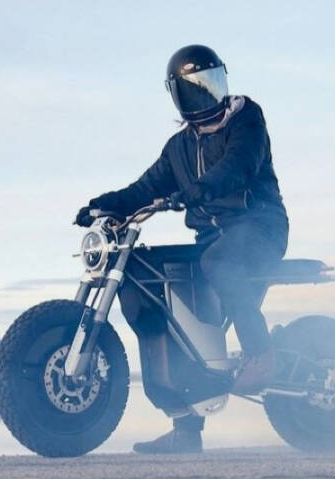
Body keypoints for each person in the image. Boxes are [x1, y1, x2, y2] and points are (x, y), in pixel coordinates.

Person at [75, 44, 289, 454]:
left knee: (220, 263)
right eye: (194, 88)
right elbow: (146, 187)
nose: (205, 94)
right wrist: (103, 205)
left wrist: (198, 190)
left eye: (210, 82)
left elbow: (239, 166)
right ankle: (184, 426)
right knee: (142, 273)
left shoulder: (247, 119)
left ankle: (261, 354)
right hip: (212, 240)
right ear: (177, 95)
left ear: (223, 81)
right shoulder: (179, 148)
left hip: (260, 228)